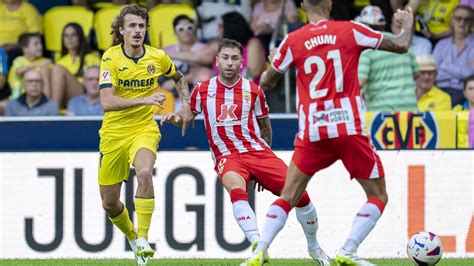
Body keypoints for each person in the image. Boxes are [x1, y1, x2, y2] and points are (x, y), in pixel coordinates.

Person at [241, 0, 415, 265]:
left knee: (289, 195)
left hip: (313, 131)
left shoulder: (292, 40)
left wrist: (274, 59)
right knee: (378, 195)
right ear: (331, 4)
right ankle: (347, 251)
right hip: (348, 127)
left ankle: (259, 251)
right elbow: (401, 45)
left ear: (301, 6)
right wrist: (407, 26)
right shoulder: (351, 30)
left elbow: (266, 82)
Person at [161, 38, 331, 265]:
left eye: (234, 58)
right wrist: (176, 118)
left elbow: (265, 128)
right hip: (227, 156)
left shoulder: (253, 90)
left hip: (258, 152)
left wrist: (265, 160)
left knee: (301, 196)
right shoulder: (203, 90)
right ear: (217, 61)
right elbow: (188, 116)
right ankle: (257, 247)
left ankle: (314, 246)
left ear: (241, 62)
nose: (229, 63)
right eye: (225, 58)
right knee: (236, 190)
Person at [98, 5, 193, 265]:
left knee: (143, 173)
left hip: (143, 129)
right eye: (132, 26)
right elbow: (106, 102)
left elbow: (180, 78)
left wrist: (186, 106)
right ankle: (132, 237)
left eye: (141, 26)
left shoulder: (157, 57)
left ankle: (144, 239)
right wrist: (145, 98)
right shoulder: (111, 58)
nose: (137, 31)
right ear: (122, 30)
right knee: (109, 204)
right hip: (114, 133)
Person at [358, 7, 419, 112]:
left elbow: (360, 82)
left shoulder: (367, 49)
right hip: (410, 109)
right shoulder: (400, 43)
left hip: (382, 112)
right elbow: (416, 74)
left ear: (365, 26)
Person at [433, 5, 474, 107]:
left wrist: (443, 65)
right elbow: (434, 73)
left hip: (464, 93)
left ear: (472, 23)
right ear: (452, 21)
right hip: (439, 90)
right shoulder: (441, 44)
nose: (462, 22)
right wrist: (463, 70)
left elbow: (469, 74)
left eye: (467, 19)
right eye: (458, 18)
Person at [52, 22, 101, 107]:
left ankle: (52, 111)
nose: (69, 39)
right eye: (66, 35)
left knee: (58, 70)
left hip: (86, 93)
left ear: (80, 37)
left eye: (73, 35)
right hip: (64, 96)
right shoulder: (61, 61)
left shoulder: (92, 58)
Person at [8, 33, 52, 100]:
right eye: (36, 44)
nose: (40, 47)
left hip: (40, 94)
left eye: (40, 43)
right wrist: (36, 65)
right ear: (25, 48)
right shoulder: (19, 60)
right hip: (19, 96)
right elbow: (18, 71)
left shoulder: (45, 61)